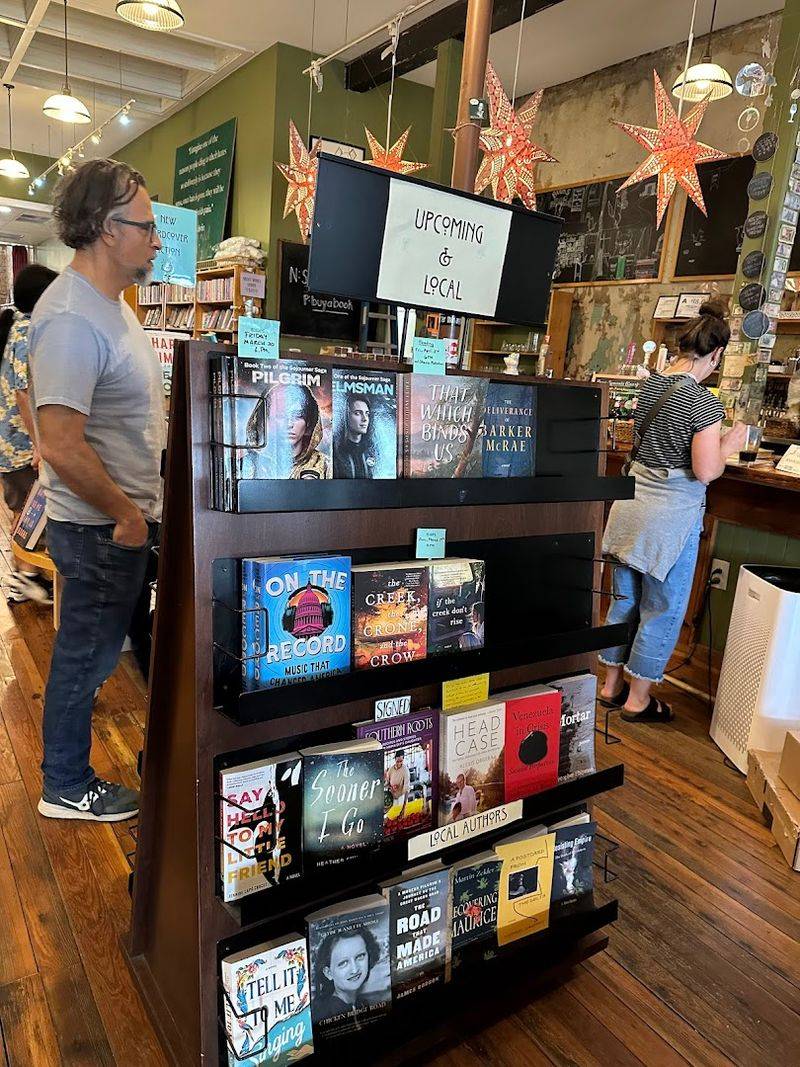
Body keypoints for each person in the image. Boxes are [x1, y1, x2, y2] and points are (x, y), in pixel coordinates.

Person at [28, 158, 166, 822]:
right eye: (147, 226)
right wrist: (125, 514)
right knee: (85, 657)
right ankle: (65, 783)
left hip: (120, 524)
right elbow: (59, 442)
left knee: (112, 649)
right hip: (100, 529)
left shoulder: (109, 307)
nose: (157, 240)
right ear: (109, 228)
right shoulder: (71, 317)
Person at [599, 299, 748, 723]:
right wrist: (728, 445)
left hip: (629, 506)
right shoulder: (703, 403)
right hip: (667, 519)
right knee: (662, 609)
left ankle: (610, 686)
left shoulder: (650, 386)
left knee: (624, 601)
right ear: (716, 354)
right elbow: (705, 471)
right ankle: (638, 700)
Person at [0, 263, 57, 602]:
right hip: (19, 445)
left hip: (8, 444)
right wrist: (40, 445)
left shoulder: (16, 326)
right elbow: (23, 394)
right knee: (29, 513)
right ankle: (25, 579)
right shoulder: (27, 332)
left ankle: (26, 578)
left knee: (22, 511)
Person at [313, 926, 386, 1025]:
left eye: (360, 956)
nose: (355, 969)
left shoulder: (362, 1004)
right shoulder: (324, 1015)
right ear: (328, 973)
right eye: (343, 963)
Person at [333, 393, 374, 478]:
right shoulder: (335, 452)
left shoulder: (370, 451)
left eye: (367, 414)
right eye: (358, 413)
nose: (365, 419)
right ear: (346, 416)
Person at [385, 749, 410, 815]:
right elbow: (387, 783)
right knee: (391, 817)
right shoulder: (391, 769)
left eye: (401, 761)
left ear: (403, 760)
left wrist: (404, 807)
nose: (399, 763)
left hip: (401, 798)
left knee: (401, 817)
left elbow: (407, 789)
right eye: (397, 761)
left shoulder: (405, 770)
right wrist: (391, 787)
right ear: (395, 759)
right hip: (391, 797)